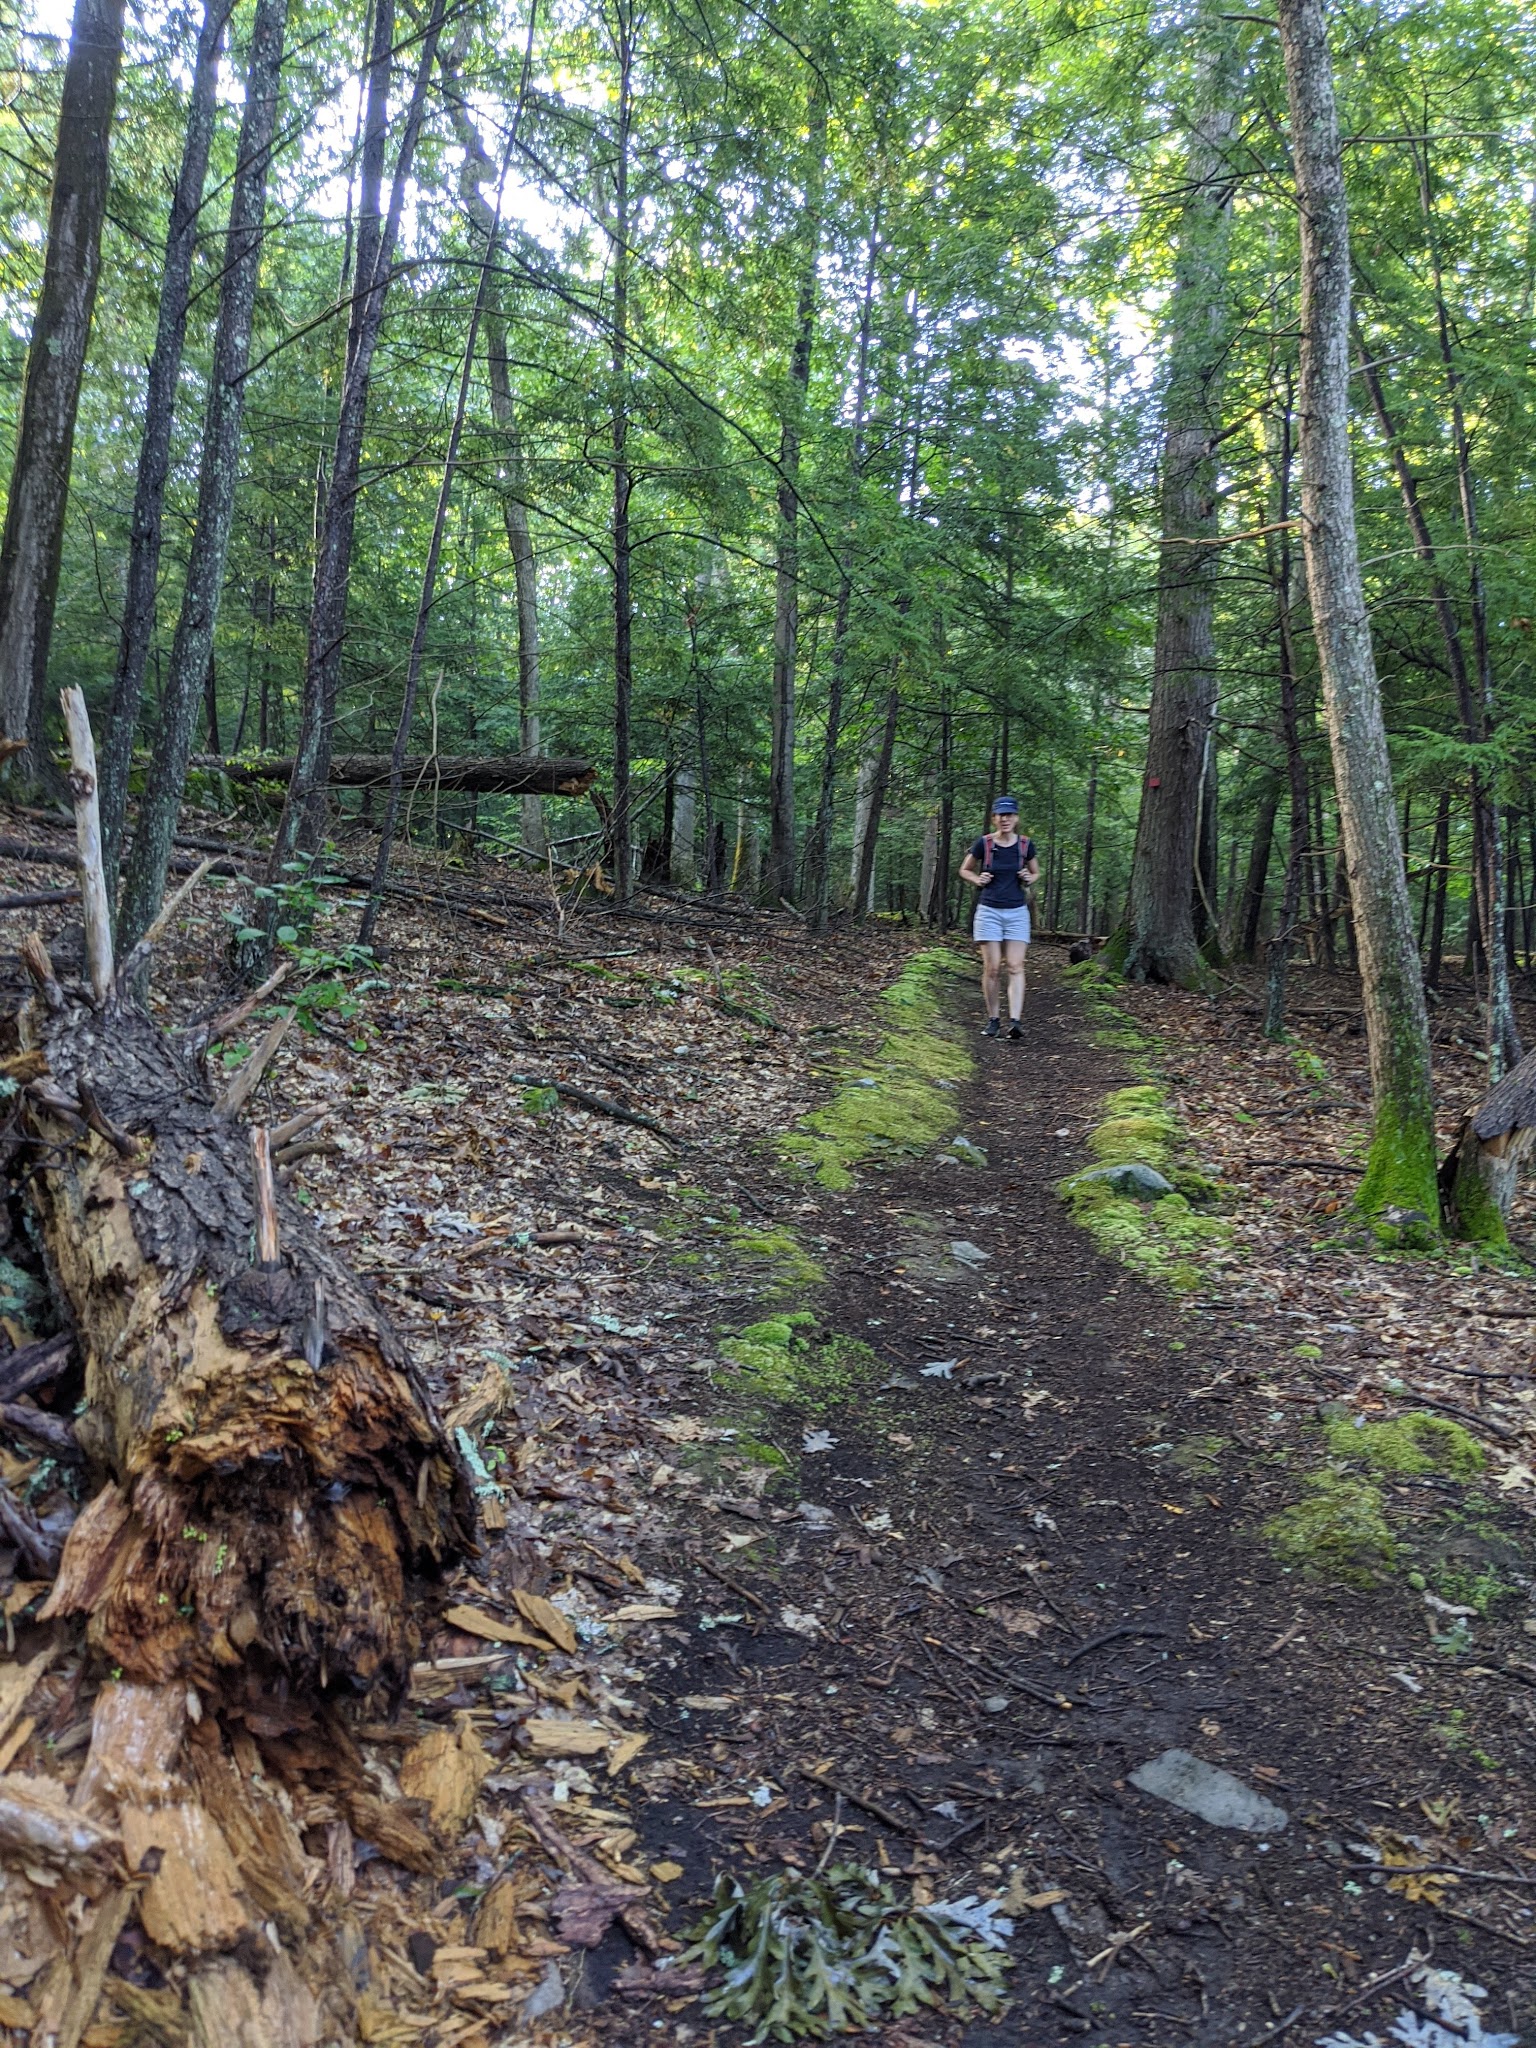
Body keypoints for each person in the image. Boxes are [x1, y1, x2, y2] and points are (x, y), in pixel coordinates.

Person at [959, 797, 1039, 1040]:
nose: (1005, 819)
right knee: (992, 968)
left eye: (1010, 815)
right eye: (1000, 815)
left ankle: (1015, 1021)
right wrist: (976, 879)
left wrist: (1029, 876)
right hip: (989, 911)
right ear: (994, 818)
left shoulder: (1025, 845)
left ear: (1016, 818)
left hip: (1016, 911)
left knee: (1015, 966)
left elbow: (1037, 873)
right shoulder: (984, 843)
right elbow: (964, 869)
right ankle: (993, 1018)